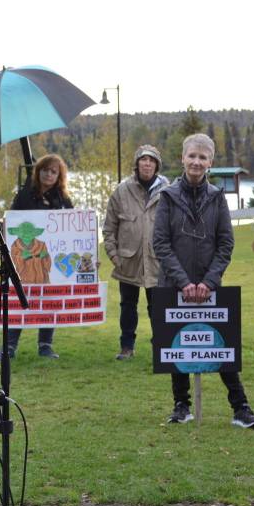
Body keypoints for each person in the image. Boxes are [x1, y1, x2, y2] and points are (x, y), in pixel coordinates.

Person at [153, 134, 254, 429]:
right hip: (175, 286)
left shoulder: (216, 199)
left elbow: (226, 244)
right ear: (183, 158)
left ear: (210, 162)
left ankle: (240, 407)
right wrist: (184, 282)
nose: (196, 162)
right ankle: (181, 405)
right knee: (178, 347)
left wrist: (209, 282)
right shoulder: (167, 197)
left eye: (203, 157)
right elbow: (161, 243)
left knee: (221, 345)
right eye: (192, 156)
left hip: (210, 287)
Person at [0, 153, 73, 361]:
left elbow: (74, 230)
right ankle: (9, 346)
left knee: (49, 301)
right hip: (23, 259)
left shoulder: (63, 199)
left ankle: (45, 345)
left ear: (59, 176)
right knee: (18, 300)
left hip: (48, 262)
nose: (49, 175)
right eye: (45, 170)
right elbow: (11, 223)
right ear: (38, 173)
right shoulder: (24, 195)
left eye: (53, 172)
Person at [103, 144, 169, 360]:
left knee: (158, 307)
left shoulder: (168, 191)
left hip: (157, 262)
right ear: (137, 163)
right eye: (143, 159)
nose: (147, 163)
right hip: (128, 261)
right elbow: (109, 227)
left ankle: (160, 347)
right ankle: (126, 347)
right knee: (127, 306)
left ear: (157, 165)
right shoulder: (122, 191)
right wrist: (114, 255)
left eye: (152, 160)